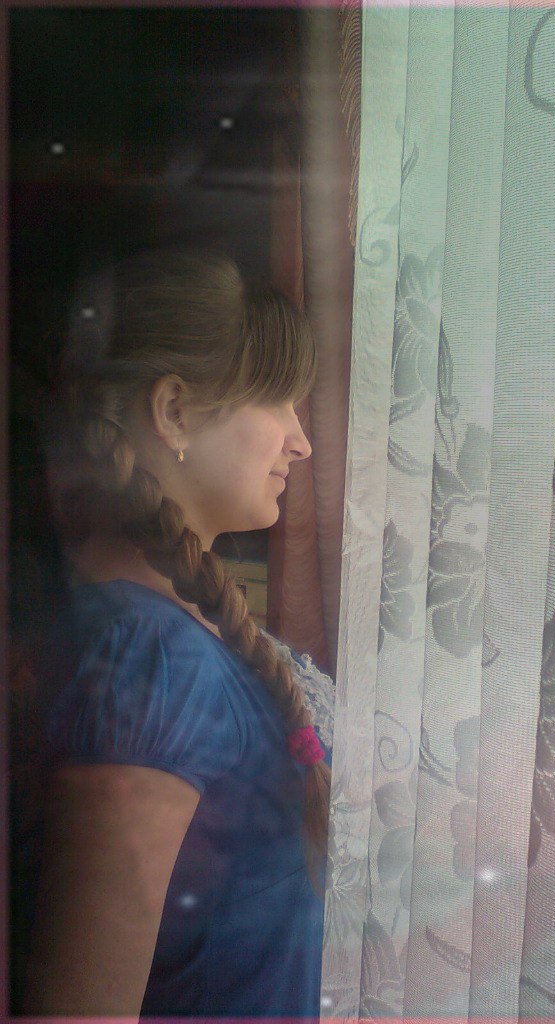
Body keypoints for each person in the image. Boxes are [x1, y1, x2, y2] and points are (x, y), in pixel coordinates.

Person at [22, 247, 334, 1018]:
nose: (300, 441)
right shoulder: (152, 662)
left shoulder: (166, 640)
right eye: (278, 401)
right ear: (174, 413)